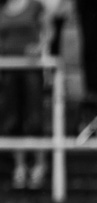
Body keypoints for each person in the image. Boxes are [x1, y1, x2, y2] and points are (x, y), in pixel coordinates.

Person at [0, 0, 56, 189]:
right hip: (8, 70)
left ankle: (40, 164)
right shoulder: (2, 8)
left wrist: (40, 47)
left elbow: (49, 30)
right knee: (12, 119)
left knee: (34, 117)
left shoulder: (34, 6)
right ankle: (20, 166)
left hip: (31, 69)